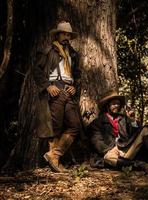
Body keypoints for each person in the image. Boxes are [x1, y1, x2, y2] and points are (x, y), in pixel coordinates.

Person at [33, 21, 83, 172]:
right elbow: (36, 70)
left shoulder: (73, 53)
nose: (66, 37)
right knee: (56, 127)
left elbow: (78, 75)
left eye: (68, 34)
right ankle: (55, 162)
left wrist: (75, 86)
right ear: (57, 34)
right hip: (55, 89)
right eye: (64, 33)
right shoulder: (48, 50)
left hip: (68, 90)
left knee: (75, 125)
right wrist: (48, 85)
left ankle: (54, 155)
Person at [88, 90, 148, 172]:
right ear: (108, 105)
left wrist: (132, 121)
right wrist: (113, 151)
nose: (116, 105)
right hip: (110, 153)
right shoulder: (98, 122)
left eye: (118, 103)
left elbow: (135, 136)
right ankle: (137, 165)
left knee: (145, 130)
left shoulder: (124, 119)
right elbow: (97, 142)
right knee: (108, 158)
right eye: (114, 103)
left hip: (126, 149)